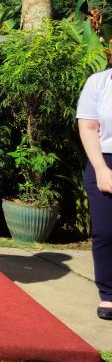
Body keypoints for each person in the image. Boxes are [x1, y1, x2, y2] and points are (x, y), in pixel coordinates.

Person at [75, 71, 112, 321]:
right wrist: (101, 169)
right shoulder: (99, 82)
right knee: (106, 232)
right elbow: (88, 127)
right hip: (105, 160)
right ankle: (108, 294)